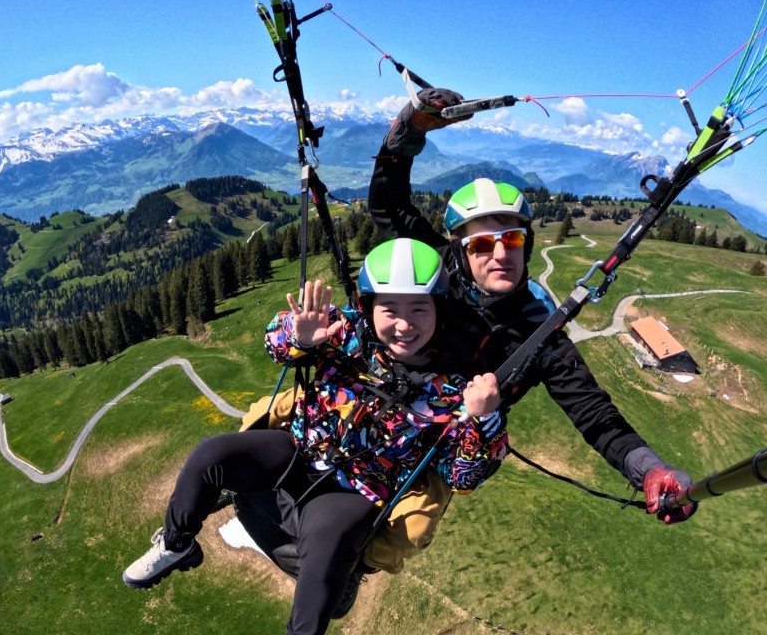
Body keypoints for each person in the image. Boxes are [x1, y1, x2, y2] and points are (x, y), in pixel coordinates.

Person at [360, 88, 698, 571]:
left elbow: (595, 416)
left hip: (450, 441)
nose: (500, 254)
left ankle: (351, 569)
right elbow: (388, 206)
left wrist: (649, 470)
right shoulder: (437, 270)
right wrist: (408, 130)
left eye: (512, 239)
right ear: (460, 251)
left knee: (393, 539)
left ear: (527, 243)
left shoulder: (542, 336)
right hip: (389, 400)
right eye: (482, 245)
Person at [123, 238, 506, 635]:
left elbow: (461, 477)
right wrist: (299, 337)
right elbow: (275, 343)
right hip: (299, 447)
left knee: (326, 544)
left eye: (419, 309)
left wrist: (483, 421)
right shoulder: (345, 332)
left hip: (359, 487)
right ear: (370, 308)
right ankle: (177, 542)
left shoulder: (451, 391)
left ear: (438, 311)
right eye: (389, 310)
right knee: (211, 455)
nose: (404, 325)